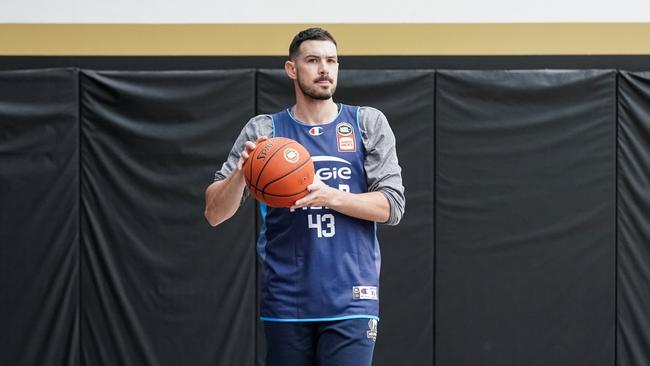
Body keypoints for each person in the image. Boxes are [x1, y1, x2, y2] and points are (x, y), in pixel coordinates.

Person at [204, 27, 405, 366]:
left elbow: (392, 206)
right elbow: (214, 213)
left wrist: (329, 196)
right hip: (287, 297)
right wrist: (242, 171)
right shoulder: (264, 130)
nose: (325, 69)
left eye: (332, 61)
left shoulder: (366, 123)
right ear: (292, 69)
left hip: (352, 299)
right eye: (313, 60)